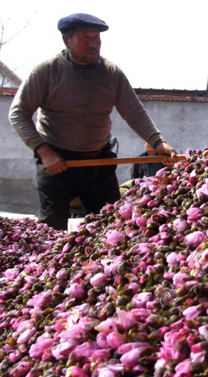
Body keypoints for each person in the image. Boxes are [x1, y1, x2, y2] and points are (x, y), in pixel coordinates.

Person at [8, 13, 178, 230]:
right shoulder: (47, 71)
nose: (93, 44)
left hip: (99, 162)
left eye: (96, 38)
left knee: (112, 227)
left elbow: (135, 113)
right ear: (67, 40)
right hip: (57, 162)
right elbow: (18, 113)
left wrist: (158, 142)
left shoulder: (111, 73)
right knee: (52, 230)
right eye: (86, 38)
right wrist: (44, 151)